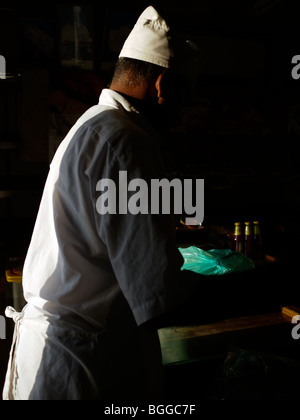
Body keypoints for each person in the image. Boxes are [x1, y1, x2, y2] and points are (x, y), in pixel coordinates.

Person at [3, 6, 201, 400]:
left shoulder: (93, 124)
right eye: (182, 98)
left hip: (53, 353)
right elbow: (156, 292)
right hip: (82, 366)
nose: (180, 112)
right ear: (162, 85)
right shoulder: (128, 143)